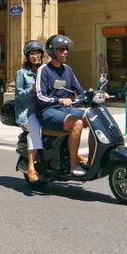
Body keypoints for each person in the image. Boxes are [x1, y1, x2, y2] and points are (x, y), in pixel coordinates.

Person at [35, 35, 88, 177]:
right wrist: (58, 100)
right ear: (52, 52)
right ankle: (73, 164)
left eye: (66, 49)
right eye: (61, 49)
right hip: (47, 110)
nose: (65, 52)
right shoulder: (44, 69)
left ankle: (92, 159)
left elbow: (79, 90)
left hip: (63, 109)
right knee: (77, 123)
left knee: (91, 118)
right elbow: (40, 95)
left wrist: (95, 95)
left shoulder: (68, 70)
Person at [15, 41, 45, 182]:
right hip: (27, 112)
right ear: (28, 56)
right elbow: (18, 94)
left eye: (37, 53)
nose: (35, 56)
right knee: (35, 129)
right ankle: (32, 167)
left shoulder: (45, 70)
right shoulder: (22, 74)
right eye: (32, 54)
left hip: (44, 109)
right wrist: (31, 90)